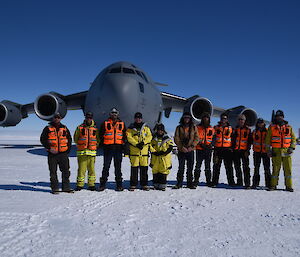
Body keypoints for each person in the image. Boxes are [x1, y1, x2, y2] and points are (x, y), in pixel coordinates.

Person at [40, 113, 73, 194]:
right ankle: (55, 188)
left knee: (66, 171)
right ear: (53, 118)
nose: (57, 119)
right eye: (55, 117)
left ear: (61, 118)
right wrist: (49, 148)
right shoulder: (48, 128)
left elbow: (69, 139)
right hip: (52, 154)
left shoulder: (64, 128)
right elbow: (43, 139)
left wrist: (67, 151)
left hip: (63, 154)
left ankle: (66, 187)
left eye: (58, 117)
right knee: (53, 172)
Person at [266, 110, 296, 192]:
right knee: (275, 170)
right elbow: (267, 140)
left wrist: (292, 148)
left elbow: (293, 139)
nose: (279, 117)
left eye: (280, 116)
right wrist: (268, 151)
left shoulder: (289, 127)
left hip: (287, 151)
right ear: (275, 117)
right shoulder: (271, 127)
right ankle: (273, 185)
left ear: (283, 117)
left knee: (288, 170)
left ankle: (288, 186)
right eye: (277, 116)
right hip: (276, 152)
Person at [99, 108, 126, 191]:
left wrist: (124, 146)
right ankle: (102, 184)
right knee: (106, 166)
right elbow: (101, 134)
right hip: (108, 148)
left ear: (117, 114)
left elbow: (125, 135)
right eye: (112, 113)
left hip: (118, 148)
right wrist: (103, 144)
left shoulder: (122, 123)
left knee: (118, 167)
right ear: (110, 114)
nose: (114, 114)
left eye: (115, 113)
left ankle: (119, 185)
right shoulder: (105, 123)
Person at [73, 112, 100, 191]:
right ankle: (80, 185)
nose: (89, 119)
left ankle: (91, 184)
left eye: (90, 117)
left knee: (91, 169)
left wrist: (95, 146)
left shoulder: (95, 128)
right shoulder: (80, 128)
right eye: (87, 117)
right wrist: (81, 145)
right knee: (81, 169)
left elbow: (98, 139)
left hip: (92, 153)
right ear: (85, 117)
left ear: (92, 118)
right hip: (82, 152)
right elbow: (76, 138)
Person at [126, 112, 152, 191]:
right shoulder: (130, 128)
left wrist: (143, 143)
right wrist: (136, 144)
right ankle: (133, 184)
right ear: (134, 119)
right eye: (137, 118)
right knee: (134, 169)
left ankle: (144, 184)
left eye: (139, 118)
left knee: (144, 169)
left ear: (141, 119)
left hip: (144, 153)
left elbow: (149, 136)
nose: (138, 119)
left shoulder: (146, 128)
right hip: (134, 153)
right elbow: (129, 137)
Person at [173, 112, 199, 189]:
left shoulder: (194, 127)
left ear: (190, 119)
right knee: (181, 167)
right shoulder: (179, 127)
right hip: (182, 150)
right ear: (183, 118)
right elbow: (176, 138)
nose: (186, 119)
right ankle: (179, 183)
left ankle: (189, 183)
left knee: (190, 168)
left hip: (190, 150)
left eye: (188, 117)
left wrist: (192, 146)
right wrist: (181, 147)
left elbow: (197, 138)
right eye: (185, 117)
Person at [211, 113, 235, 187]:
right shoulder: (216, 127)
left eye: (225, 118)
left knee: (229, 167)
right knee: (216, 166)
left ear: (227, 119)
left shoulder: (231, 128)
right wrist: (213, 146)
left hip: (227, 150)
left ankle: (231, 182)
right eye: (222, 118)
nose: (223, 120)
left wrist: (232, 148)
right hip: (217, 150)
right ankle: (214, 182)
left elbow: (233, 139)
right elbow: (212, 137)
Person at [150, 123, 174, 191]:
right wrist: (154, 152)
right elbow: (150, 146)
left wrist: (165, 152)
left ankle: (162, 185)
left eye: (161, 130)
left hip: (164, 159)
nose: (160, 131)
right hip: (155, 158)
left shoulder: (167, 138)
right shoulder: (154, 138)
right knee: (155, 170)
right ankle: (155, 184)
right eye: (159, 130)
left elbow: (170, 147)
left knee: (163, 171)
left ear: (163, 130)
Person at [193, 112, 214, 187]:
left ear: (209, 119)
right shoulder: (197, 127)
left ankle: (208, 181)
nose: (206, 119)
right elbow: (195, 137)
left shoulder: (211, 128)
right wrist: (201, 144)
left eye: (207, 118)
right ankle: (196, 181)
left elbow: (213, 138)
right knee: (198, 166)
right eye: (204, 117)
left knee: (208, 166)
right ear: (202, 119)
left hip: (208, 149)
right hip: (199, 149)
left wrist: (211, 145)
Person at [232, 114, 252, 189]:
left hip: (244, 151)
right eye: (239, 119)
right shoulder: (235, 129)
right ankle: (239, 182)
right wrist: (233, 149)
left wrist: (248, 150)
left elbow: (250, 141)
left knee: (246, 168)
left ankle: (247, 183)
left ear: (244, 121)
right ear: (237, 121)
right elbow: (233, 140)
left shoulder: (248, 130)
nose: (241, 121)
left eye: (242, 119)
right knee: (237, 167)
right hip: (236, 151)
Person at [251, 118, 271, 189]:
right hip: (257, 152)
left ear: (263, 123)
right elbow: (250, 140)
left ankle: (268, 184)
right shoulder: (254, 131)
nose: (260, 124)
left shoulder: (268, 131)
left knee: (267, 169)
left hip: (265, 153)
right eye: (259, 123)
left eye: (261, 122)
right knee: (256, 168)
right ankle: (255, 183)